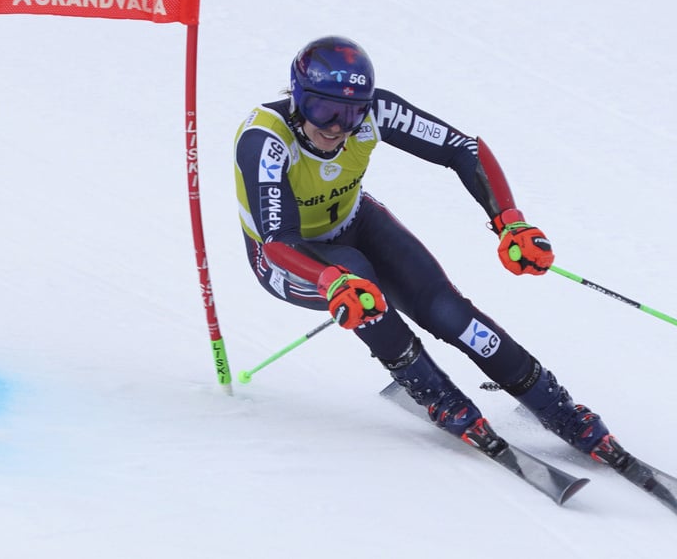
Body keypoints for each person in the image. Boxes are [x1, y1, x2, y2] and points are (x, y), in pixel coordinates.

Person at [233, 35, 627, 467]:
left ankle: (556, 407)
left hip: (353, 221)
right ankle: (437, 395)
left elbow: (463, 149)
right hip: (289, 260)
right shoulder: (265, 141)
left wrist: (509, 220)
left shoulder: (375, 112)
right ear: (297, 98)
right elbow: (277, 241)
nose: (336, 128)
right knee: (361, 284)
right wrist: (331, 279)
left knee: (448, 312)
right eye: (322, 110)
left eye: (350, 114)